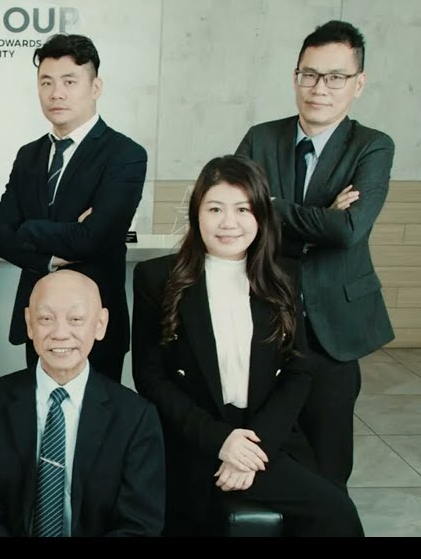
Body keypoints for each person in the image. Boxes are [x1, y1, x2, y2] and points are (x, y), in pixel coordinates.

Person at [132, 155, 364, 536]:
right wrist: (221, 442)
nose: (229, 223)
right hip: (194, 437)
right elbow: (150, 378)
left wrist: (254, 449)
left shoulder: (284, 277)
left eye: (243, 209)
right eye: (215, 209)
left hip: (265, 434)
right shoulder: (156, 278)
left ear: (260, 215)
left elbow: (298, 371)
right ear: (196, 213)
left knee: (335, 510)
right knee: (333, 513)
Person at [235, 19, 395, 490]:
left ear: (358, 84)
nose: (319, 88)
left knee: (329, 457)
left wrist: (272, 208)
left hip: (333, 327)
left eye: (336, 77)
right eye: (309, 74)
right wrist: (320, 217)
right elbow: (239, 218)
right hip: (264, 313)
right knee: (260, 445)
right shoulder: (261, 138)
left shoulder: (372, 146)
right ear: (295, 76)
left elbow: (349, 230)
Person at [0, 33, 146, 383]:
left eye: (69, 82)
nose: (56, 93)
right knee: (40, 410)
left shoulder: (125, 155)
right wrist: (52, 255)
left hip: (94, 323)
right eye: (46, 82)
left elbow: (93, 238)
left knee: (97, 414)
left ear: (95, 87)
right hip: (39, 317)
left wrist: (28, 228)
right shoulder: (28, 155)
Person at [0, 269, 165, 537]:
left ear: (100, 324)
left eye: (76, 319)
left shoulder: (136, 417)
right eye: (46, 319)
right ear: (29, 323)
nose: (60, 333)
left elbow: (139, 524)